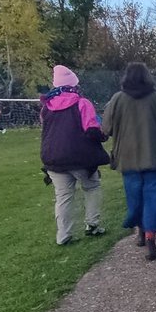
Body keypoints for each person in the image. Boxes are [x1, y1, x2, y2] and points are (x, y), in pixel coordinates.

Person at [102, 62, 156, 261]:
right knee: (154, 199)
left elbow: (106, 127)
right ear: (148, 77)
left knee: (135, 197)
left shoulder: (117, 99)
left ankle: (140, 232)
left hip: (127, 159)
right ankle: (151, 240)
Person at [40, 65, 109, 245]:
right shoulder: (81, 103)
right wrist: (104, 136)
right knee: (92, 187)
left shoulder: (47, 106)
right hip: (80, 157)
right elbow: (91, 130)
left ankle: (63, 235)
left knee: (63, 196)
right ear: (74, 84)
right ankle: (92, 225)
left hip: (53, 158)